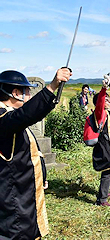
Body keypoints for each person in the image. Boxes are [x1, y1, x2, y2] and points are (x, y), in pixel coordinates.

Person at [0, 68, 71, 239]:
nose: (30, 95)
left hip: (23, 196)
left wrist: (42, 176)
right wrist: (52, 87)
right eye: (28, 91)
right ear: (15, 93)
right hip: (13, 205)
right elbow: (27, 114)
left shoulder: (10, 118)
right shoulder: (4, 119)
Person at [92, 81, 110, 207]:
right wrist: (103, 89)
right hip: (104, 146)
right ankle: (102, 199)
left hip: (109, 145)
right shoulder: (100, 113)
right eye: (106, 100)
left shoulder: (107, 113)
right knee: (107, 170)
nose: (108, 102)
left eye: (109, 100)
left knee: (109, 170)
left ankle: (104, 191)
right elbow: (100, 102)